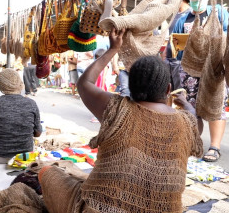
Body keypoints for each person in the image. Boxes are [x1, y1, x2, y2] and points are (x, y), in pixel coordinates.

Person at [38, 29, 203, 213]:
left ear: (129, 86)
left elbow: (84, 83)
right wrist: (187, 105)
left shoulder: (117, 108)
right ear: (168, 89)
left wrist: (113, 49)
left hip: (97, 209)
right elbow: (197, 123)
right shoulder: (186, 122)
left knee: (47, 172)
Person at [170, 0, 228, 162]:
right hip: (189, 71)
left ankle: (214, 147)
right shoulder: (183, 20)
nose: (195, 0)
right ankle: (193, 142)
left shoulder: (218, 14)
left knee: (215, 107)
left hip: (214, 69)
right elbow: (174, 47)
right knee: (192, 108)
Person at [0, 69, 42, 164]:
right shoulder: (31, 103)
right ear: (19, 83)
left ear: (0, 85)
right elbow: (38, 133)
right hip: (24, 157)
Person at [164, 0, 191, 91]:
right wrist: (165, 53)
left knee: (179, 88)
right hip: (170, 57)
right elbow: (170, 36)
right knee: (169, 88)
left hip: (181, 58)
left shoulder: (190, 14)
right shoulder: (175, 15)